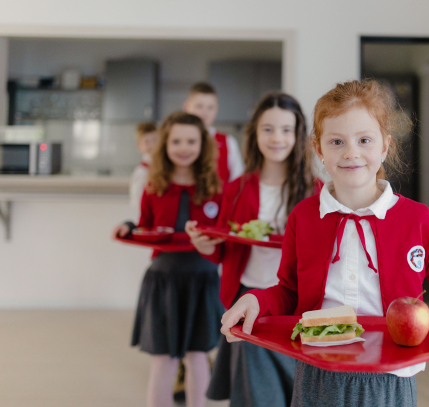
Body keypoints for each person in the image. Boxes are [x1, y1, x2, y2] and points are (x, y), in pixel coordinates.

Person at [219, 80, 429, 407]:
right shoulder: (303, 217)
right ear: (318, 149)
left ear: (384, 146)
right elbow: (289, 290)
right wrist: (255, 301)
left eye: (364, 140)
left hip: (391, 375)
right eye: (336, 141)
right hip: (317, 374)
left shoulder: (418, 219)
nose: (351, 153)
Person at [185, 93, 322, 407]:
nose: (277, 138)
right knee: (255, 394)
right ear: (255, 134)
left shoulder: (315, 192)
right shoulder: (236, 189)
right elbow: (222, 250)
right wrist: (204, 245)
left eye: (286, 130)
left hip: (294, 303)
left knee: (296, 390)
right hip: (246, 297)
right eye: (268, 129)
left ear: (299, 135)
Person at [113, 112, 223, 407]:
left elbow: (225, 233)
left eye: (191, 140)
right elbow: (144, 225)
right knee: (162, 360)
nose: (183, 147)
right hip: (163, 280)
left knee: (198, 356)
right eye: (176, 140)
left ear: (203, 144)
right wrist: (129, 227)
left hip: (204, 280)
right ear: (164, 144)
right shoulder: (154, 185)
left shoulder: (215, 186)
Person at [183, 81, 244, 186]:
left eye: (210, 107)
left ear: (217, 109)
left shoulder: (228, 142)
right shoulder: (177, 141)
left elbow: (238, 181)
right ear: (187, 106)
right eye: (199, 106)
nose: (205, 112)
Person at [129, 122, 158, 219]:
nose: (152, 145)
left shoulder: (161, 167)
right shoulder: (142, 171)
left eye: (155, 140)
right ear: (139, 146)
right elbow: (137, 200)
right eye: (147, 142)